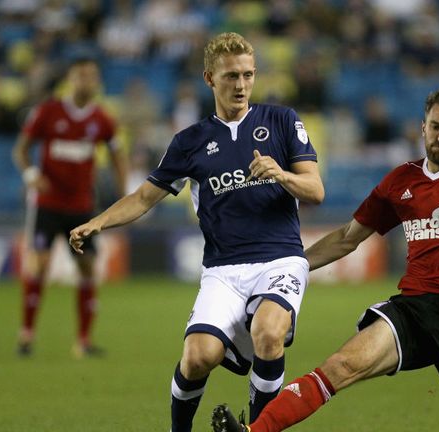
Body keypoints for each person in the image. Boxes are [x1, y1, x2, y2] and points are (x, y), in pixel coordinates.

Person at [211, 87, 439, 432]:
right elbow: (347, 238)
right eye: (436, 127)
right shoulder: (401, 181)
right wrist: (291, 266)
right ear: (423, 126)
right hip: (412, 309)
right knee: (340, 366)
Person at [68, 32, 324, 432]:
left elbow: (316, 190)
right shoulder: (189, 142)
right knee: (198, 356)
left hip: (280, 258)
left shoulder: (282, 121)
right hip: (223, 268)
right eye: (231, 77)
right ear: (209, 78)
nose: (240, 85)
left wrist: (281, 173)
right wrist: (97, 222)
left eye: (248, 75)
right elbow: (142, 198)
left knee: (269, 332)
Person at [11, 57, 127, 358]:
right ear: (70, 79)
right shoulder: (48, 111)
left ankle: (84, 341)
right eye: (80, 76)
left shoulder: (103, 119)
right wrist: (31, 175)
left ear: (97, 81)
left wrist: (123, 192)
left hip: (81, 206)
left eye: (91, 76)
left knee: (88, 268)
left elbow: (118, 156)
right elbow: (21, 149)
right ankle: (26, 335)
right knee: (39, 264)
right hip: (47, 204)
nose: (86, 81)